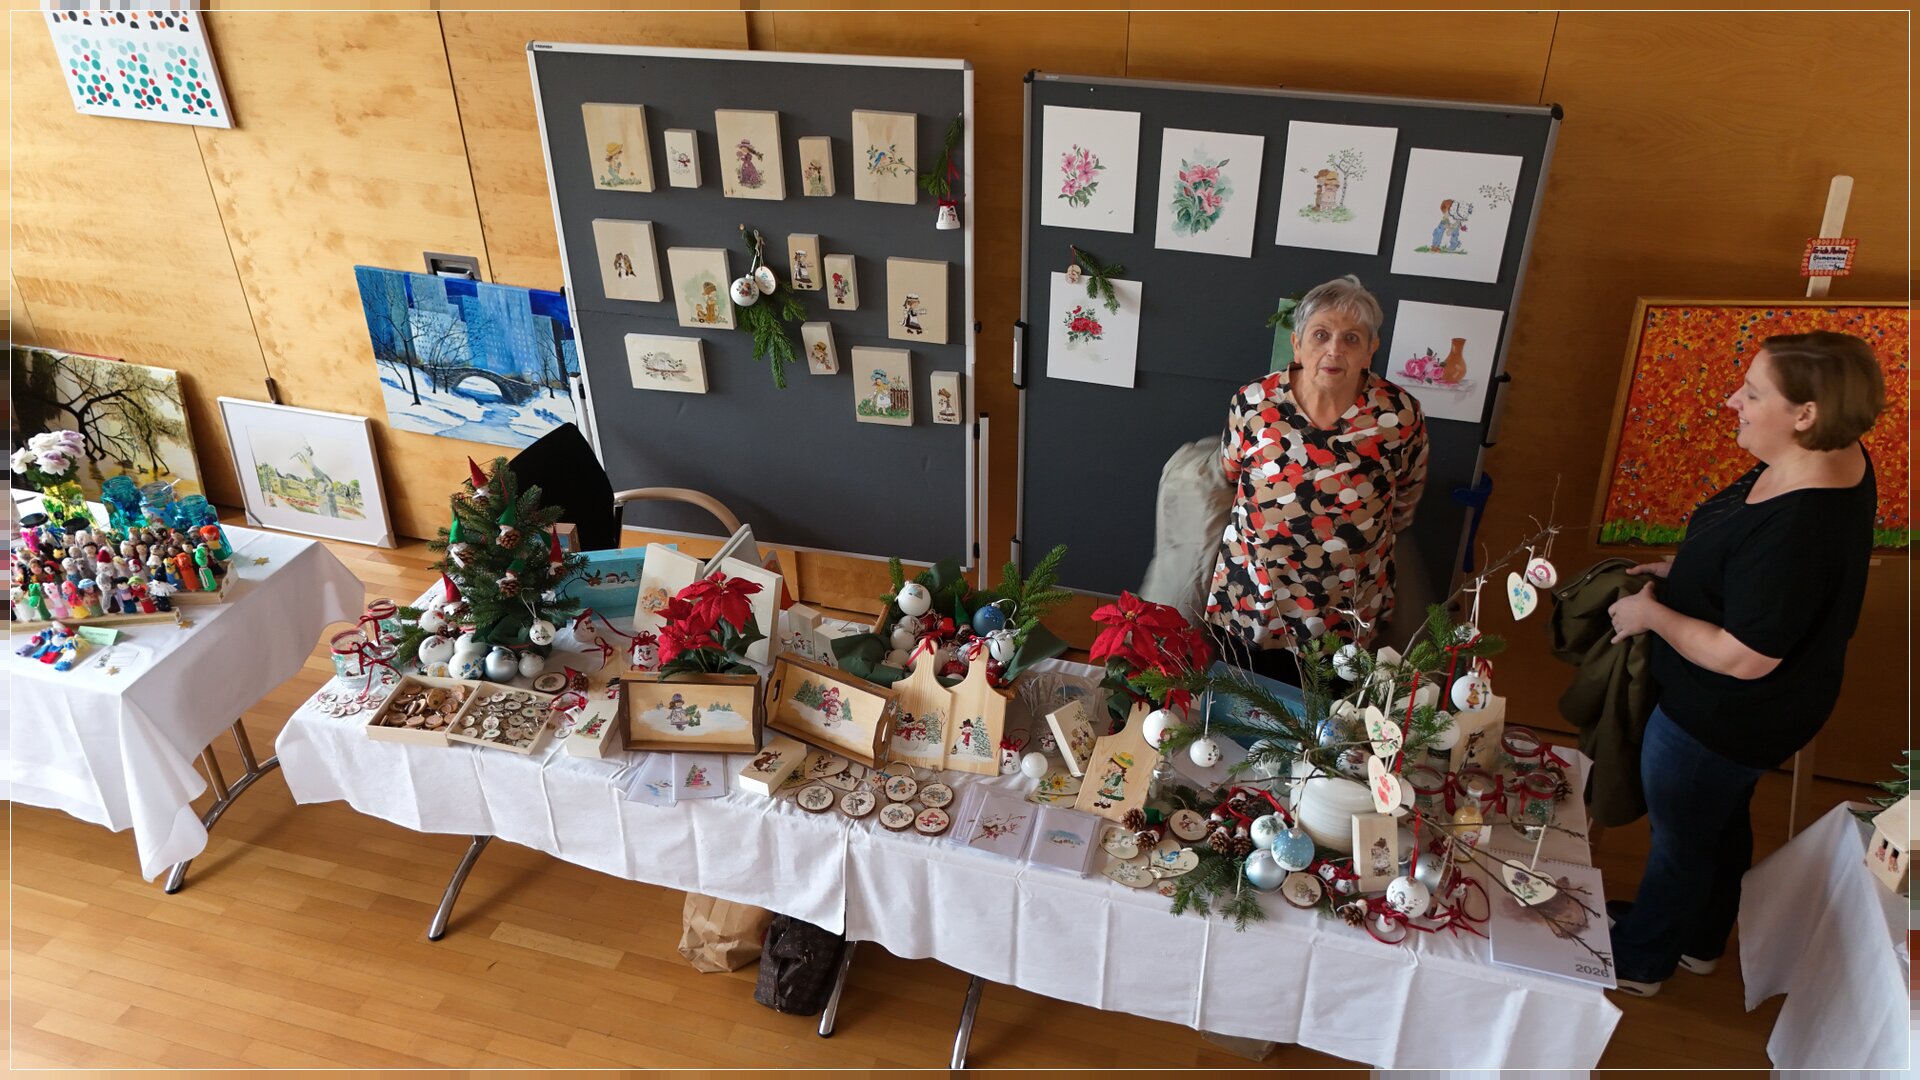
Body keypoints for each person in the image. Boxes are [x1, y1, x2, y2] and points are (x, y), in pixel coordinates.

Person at [1604, 330, 1885, 997]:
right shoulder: (1828, 450)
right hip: (1758, 711)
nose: (1734, 399)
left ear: (1806, 413)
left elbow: (1745, 655)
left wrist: (1651, 617)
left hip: (1725, 710)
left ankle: (1643, 959)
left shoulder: (1801, 527)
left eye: (1754, 393)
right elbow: (1759, 576)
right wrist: (1689, 571)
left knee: (1681, 835)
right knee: (1716, 820)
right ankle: (1700, 940)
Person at [1204, 275, 1429, 683]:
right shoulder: (1253, 403)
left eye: (1352, 339)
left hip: (1345, 607)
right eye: (1321, 335)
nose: (1334, 350)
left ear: (1371, 349)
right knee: (1240, 706)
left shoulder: (1398, 414)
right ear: (1297, 343)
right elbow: (1230, 474)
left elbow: (1407, 497)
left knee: (1331, 714)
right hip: (1255, 600)